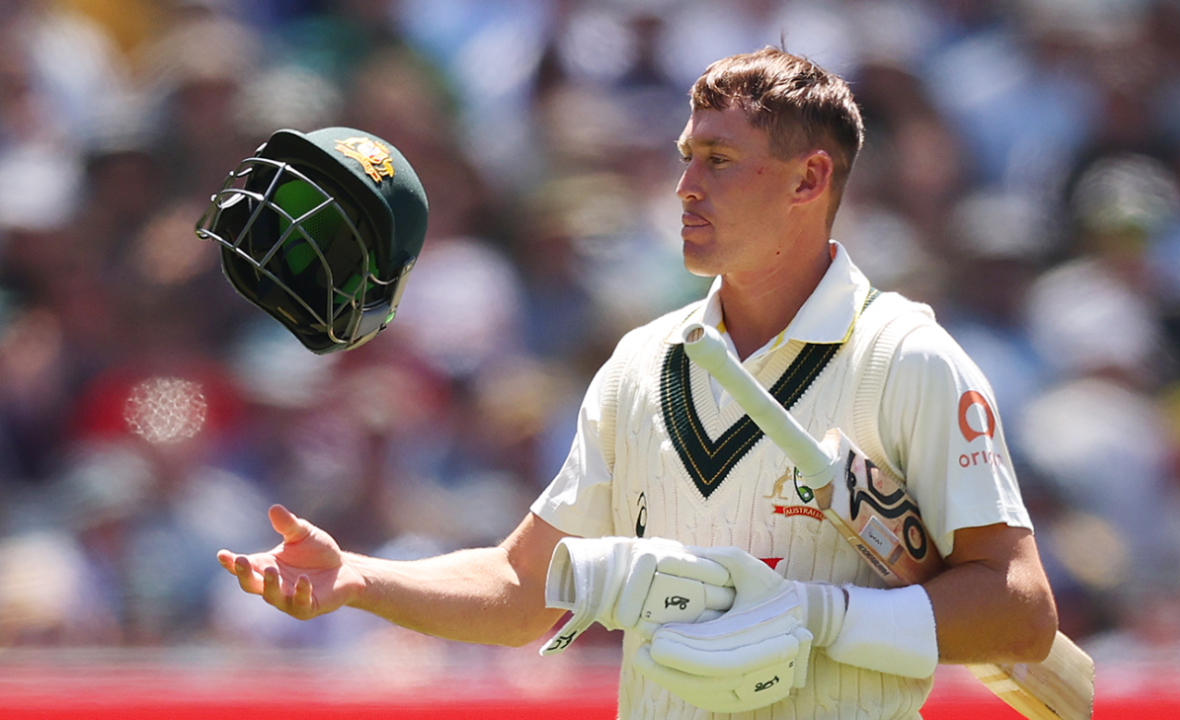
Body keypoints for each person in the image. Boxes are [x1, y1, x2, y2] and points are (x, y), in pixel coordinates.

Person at [217, 47, 1057, 719]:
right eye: (687, 157)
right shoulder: (642, 363)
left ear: (809, 180)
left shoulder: (907, 358)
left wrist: (819, 616)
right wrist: (358, 579)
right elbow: (522, 589)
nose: (685, 187)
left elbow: (1021, 612)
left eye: (719, 161)